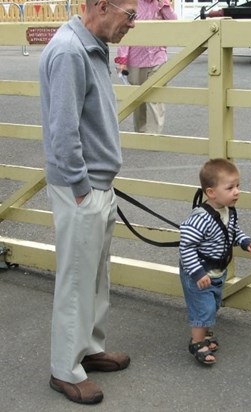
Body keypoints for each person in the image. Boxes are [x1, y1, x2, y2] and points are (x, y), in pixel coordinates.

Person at [39, 0, 137, 404]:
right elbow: (63, 132)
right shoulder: (68, 51)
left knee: (96, 275)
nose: (134, 24)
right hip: (82, 187)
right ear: (101, 6)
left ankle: (89, 350)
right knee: (77, 281)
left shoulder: (92, 45)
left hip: (97, 184)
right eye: (130, 15)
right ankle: (65, 369)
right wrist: (81, 185)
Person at [179, 158, 251, 366]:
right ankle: (197, 342)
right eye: (230, 187)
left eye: (238, 186)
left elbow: (231, 232)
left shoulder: (228, 211)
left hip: (216, 271)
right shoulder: (201, 218)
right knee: (202, 307)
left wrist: (244, 241)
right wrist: (197, 273)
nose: (237, 192)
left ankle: (203, 332)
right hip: (200, 271)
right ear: (211, 192)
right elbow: (186, 246)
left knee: (213, 304)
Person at [115, 0, 177, 134]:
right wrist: (122, 61)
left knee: (156, 97)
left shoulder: (161, 4)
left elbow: (174, 22)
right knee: (138, 99)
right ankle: (141, 133)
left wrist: (164, 5)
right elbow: (125, 31)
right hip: (135, 59)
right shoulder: (132, 4)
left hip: (157, 57)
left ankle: (154, 135)